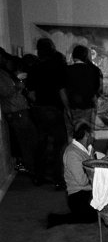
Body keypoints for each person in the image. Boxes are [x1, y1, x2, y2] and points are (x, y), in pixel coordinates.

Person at [27, 38, 68, 189]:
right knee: (59, 145)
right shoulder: (58, 66)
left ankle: (39, 177)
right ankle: (58, 178)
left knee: (41, 144)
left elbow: (31, 93)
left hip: (39, 109)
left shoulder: (34, 67)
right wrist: (68, 109)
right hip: (54, 108)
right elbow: (62, 91)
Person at [47, 123, 98, 228]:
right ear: (86, 135)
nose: (94, 137)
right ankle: (56, 219)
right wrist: (96, 179)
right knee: (93, 216)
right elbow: (82, 181)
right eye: (92, 134)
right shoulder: (72, 153)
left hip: (88, 190)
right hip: (78, 195)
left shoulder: (88, 148)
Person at [0, 48, 37, 176]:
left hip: (18, 110)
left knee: (27, 140)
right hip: (15, 111)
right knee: (26, 141)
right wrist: (18, 83)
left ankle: (31, 167)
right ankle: (31, 168)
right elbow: (6, 91)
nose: (6, 62)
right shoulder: (2, 74)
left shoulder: (5, 73)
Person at [62, 45, 102, 131]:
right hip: (87, 108)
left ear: (73, 56)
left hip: (71, 107)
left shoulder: (66, 70)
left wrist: (67, 108)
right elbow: (98, 90)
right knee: (85, 134)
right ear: (85, 56)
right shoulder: (93, 70)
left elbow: (62, 91)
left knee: (71, 134)